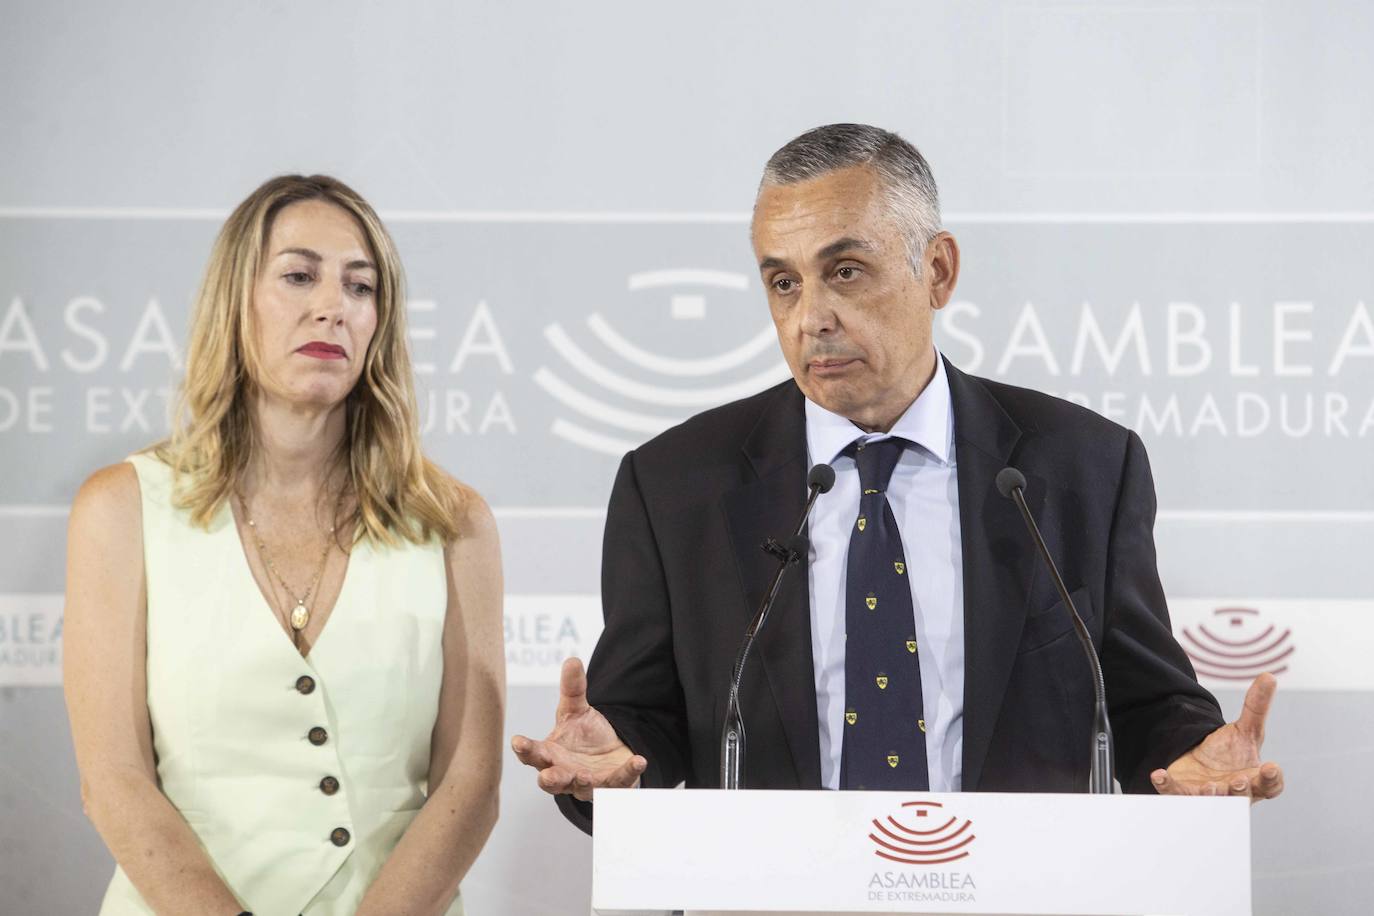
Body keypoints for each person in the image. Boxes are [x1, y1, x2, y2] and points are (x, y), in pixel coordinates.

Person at [512, 124, 1284, 831]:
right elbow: (643, 731)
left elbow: (1144, 699)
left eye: (845, 271)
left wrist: (1190, 756)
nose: (811, 316)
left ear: (937, 271)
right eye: (783, 282)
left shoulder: (1082, 466)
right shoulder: (677, 485)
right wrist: (607, 765)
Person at [63, 175, 504, 914]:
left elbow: (470, 781)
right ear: (235, 301)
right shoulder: (119, 509)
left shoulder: (454, 521)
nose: (332, 305)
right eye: (299, 275)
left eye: (360, 287)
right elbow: (113, 780)